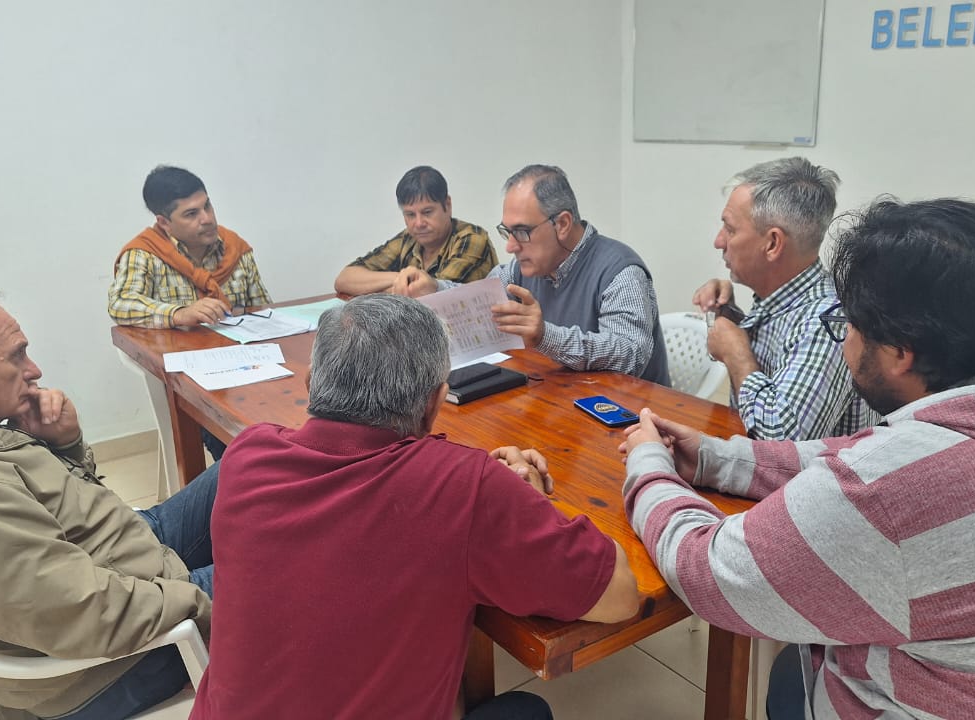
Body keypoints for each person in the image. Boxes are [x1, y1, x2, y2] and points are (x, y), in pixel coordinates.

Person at [621, 199, 975, 718]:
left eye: (849, 328)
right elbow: (875, 455)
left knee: (792, 674)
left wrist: (649, 468)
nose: (846, 341)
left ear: (902, 352)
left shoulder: (892, 490)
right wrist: (722, 459)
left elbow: (712, 571)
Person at [192, 294, 640, 720]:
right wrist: (520, 500)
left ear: (311, 386)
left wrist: (488, 489)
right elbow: (620, 596)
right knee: (529, 710)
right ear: (436, 404)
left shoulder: (247, 455)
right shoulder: (466, 490)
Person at [0, 280, 218, 720]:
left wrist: (64, 445)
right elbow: (82, 615)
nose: (34, 369)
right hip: (114, 664)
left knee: (261, 455)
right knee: (312, 564)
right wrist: (200, 597)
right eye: (16, 355)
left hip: (123, 558)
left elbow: (58, 514)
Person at [411, 164, 669, 385]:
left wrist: (545, 336)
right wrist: (435, 289)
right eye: (507, 232)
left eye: (522, 231)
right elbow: (480, 300)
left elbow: (631, 356)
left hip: (631, 420)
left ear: (563, 224)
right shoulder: (521, 267)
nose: (510, 246)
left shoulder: (620, 272)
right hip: (561, 400)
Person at [692, 157, 876, 440]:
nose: (719, 241)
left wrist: (737, 355)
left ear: (773, 244)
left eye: (730, 229)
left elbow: (781, 446)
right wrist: (732, 317)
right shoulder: (784, 298)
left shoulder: (827, 322)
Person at [108, 165, 272, 329]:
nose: (207, 219)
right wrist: (179, 314)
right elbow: (120, 304)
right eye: (191, 214)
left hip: (240, 350)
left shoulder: (235, 248)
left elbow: (264, 311)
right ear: (164, 223)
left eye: (207, 206)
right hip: (176, 351)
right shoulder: (145, 253)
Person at [334, 165, 498, 297]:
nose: (418, 223)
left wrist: (388, 287)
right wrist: (401, 278)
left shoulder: (472, 238)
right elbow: (345, 278)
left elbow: (434, 297)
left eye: (427, 212)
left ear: (447, 205)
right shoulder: (409, 239)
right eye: (410, 214)